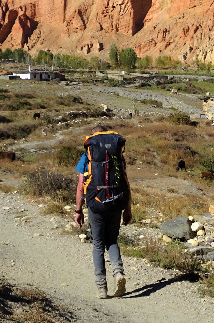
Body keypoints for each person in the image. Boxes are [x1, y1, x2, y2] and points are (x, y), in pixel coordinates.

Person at [74, 125, 132, 299]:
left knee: (98, 244)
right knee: (112, 240)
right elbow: (126, 183)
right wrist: (127, 209)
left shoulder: (87, 157)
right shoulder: (118, 157)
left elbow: (80, 187)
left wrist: (78, 210)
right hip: (116, 203)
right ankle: (118, 272)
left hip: (96, 204)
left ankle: (101, 287)